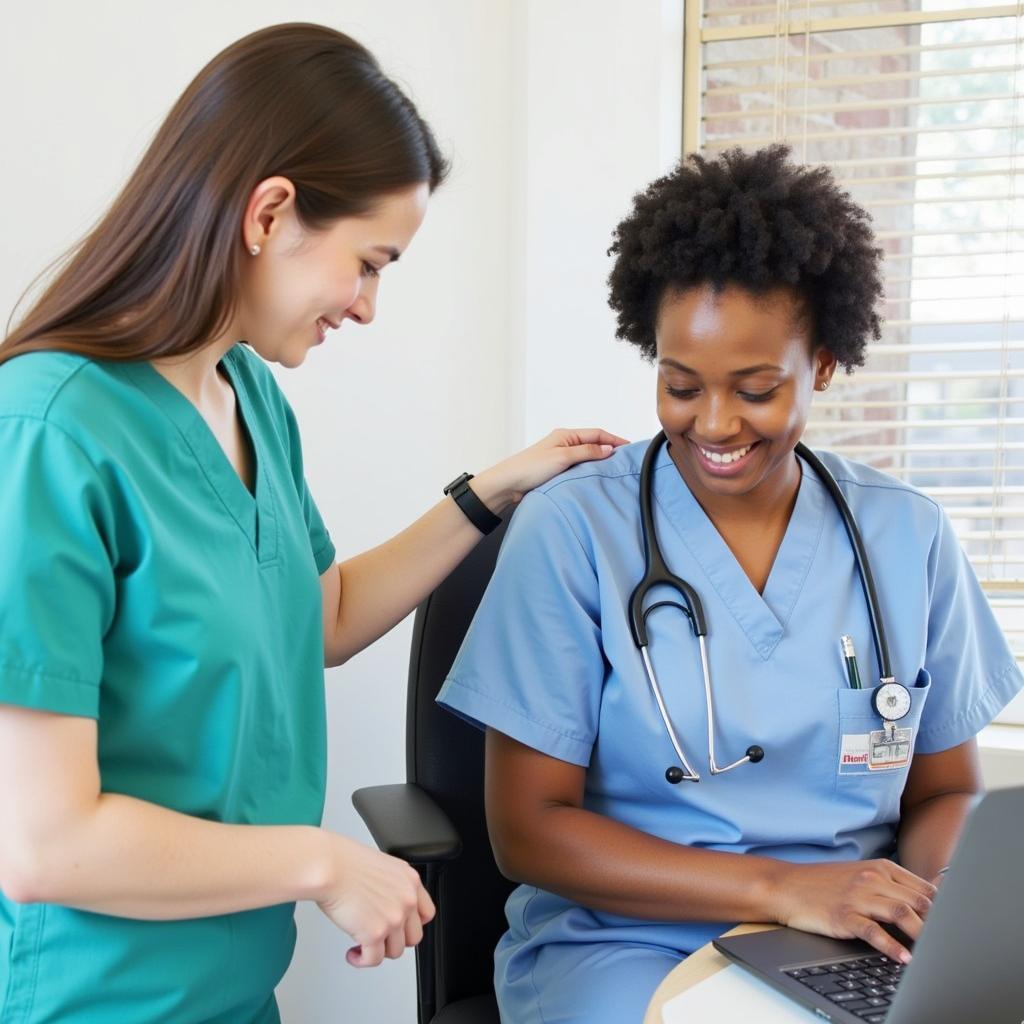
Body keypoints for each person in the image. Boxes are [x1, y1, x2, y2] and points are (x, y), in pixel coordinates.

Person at [0, 23, 626, 1024]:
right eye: (368, 261)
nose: (369, 305)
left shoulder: (247, 395)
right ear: (271, 210)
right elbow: (42, 845)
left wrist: (489, 491)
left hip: (237, 991)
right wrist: (322, 859)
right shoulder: (45, 434)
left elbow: (320, 613)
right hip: (91, 1000)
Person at [436, 145, 1024, 1024]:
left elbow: (942, 790)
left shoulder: (908, 534)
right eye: (680, 386)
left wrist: (928, 910)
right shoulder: (574, 530)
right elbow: (529, 830)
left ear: (822, 364)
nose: (713, 424)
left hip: (843, 940)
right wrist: (786, 887)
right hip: (623, 940)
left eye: (755, 389)